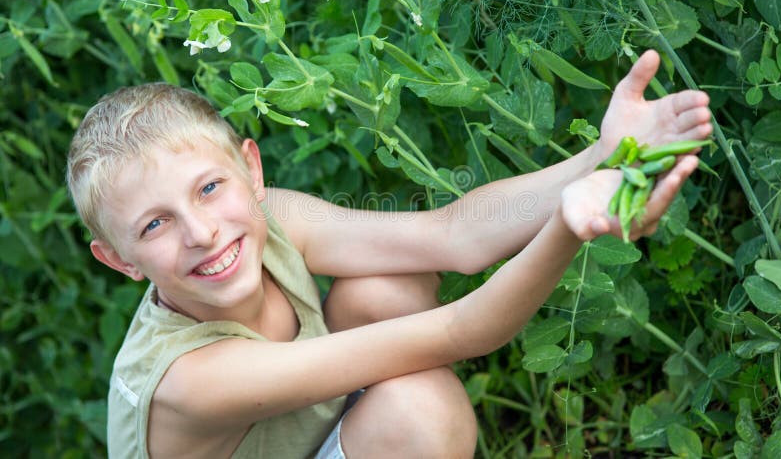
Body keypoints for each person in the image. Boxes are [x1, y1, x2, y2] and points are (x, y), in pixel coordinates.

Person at [66, 49, 712, 458]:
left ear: (250, 170)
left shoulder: (266, 221)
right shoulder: (191, 380)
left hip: (312, 432)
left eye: (209, 188)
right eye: (155, 225)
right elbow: (466, 329)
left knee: (384, 290)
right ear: (119, 259)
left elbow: (452, 236)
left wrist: (600, 158)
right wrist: (569, 226)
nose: (203, 232)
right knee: (420, 410)